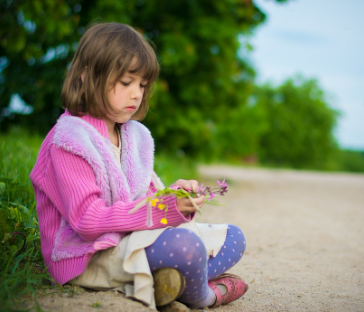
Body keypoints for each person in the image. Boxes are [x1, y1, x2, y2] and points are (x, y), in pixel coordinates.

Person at [30, 22, 248, 310]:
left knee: (233, 236)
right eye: (126, 83)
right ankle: (203, 295)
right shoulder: (70, 140)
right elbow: (87, 222)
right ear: (86, 75)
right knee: (186, 247)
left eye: (142, 85)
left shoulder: (133, 135)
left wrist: (173, 197)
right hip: (89, 255)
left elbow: (143, 202)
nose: (137, 94)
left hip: (129, 239)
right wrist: (162, 210)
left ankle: (171, 283)